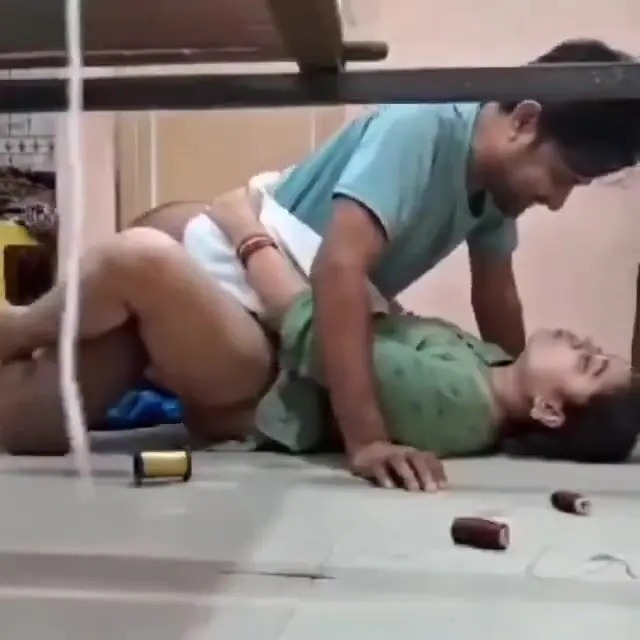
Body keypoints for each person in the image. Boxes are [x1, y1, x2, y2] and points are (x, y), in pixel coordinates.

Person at [2, 37, 639, 492]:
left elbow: (496, 295)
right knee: (44, 405)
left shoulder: (496, 192)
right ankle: (20, 331)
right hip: (254, 291)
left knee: (137, 264)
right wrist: (367, 437)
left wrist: (516, 404)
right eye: (563, 177)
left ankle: (24, 329)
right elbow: (340, 270)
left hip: (265, 334)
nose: (556, 200)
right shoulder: (423, 129)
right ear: (524, 122)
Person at [0, 177, 635, 491]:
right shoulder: (487, 365)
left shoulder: (458, 402)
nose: (585, 344)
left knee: (144, 257)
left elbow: (318, 333)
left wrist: (247, 231)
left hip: (258, 384)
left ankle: (16, 329)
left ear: (549, 410)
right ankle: (27, 393)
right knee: (149, 275)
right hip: (262, 357)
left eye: (590, 364)